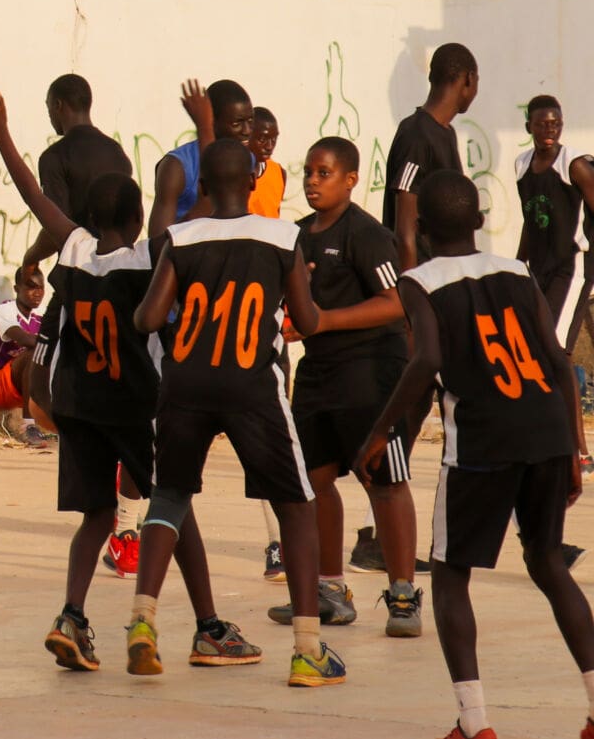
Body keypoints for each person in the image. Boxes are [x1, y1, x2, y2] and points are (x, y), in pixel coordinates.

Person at [0, 84, 260, 674]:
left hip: (81, 408)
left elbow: (32, 195)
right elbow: (210, 205)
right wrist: (206, 127)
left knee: (98, 517)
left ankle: (72, 616)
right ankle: (208, 626)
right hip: (138, 406)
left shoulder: (74, 252)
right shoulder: (151, 257)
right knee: (173, 506)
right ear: (136, 217)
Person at [356, 170, 594, 739]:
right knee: (547, 563)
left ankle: (476, 723)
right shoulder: (516, 271)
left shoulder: (420, 281)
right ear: (481, 221)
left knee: (449, 575)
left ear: (422, 228)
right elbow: (560, 362)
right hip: (545, 431)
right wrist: (575, 447)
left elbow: (425, 361)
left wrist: (378, 433)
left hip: (484, 441)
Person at [129, 140, 344, 687]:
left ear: (201, 189)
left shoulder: (180, 237)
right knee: (295, 504)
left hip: (185, 382)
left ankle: (143, 621)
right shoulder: (281, 236)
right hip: (251, 383)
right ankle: (307, 649)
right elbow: (307, 320)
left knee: (170, 495)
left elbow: (148, 318)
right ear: (254, 183)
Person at [270, 138, 422, 636]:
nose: (313, 181)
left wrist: (324, 319)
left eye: (325, 172)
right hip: (318, 374)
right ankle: (329, 589)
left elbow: (398, 301)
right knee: (312, 481)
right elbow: (296, 307)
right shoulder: (294, 237)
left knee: (382, 478)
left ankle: (403, 595)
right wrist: (295, 323)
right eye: (309, 172)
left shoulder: (366, 234)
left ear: (351, 179)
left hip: (371, 370)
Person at [21, 73, 133, 269]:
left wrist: (30, 258)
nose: (49, 116)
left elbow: (54, 226)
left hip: (81, 272)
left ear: (58, 105)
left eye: (48, 109)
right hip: (121, 270)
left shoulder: (55, 157)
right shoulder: (116, 151)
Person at [383, 43, 477, 273]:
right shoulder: (416, 134)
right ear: (468, 79)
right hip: (425, 279)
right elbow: (405, 232)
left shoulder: (446, 132)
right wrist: (409, 293)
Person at [515, 95, 594, 357]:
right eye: (542, 124)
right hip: (540, 266)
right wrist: (518, 263)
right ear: (529, 127)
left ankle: (568, 398)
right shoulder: (522, 165)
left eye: (556, 124)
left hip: (570, 267)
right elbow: (531, 219)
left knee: (557, 349)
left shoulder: (574, 165)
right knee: (535, 341)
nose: (550, 130)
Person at [246, 106, 290, 576]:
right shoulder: (236, 174)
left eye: (273, 136)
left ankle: (278, 542)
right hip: (240, 306)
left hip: (271, 306)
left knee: (273, 427)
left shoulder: (277, 174)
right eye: (261, 135)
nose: (267, 142)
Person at [147, 78, 254, 239]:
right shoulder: (176, 166)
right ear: (212, 121)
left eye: (250, 121)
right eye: (237, 123)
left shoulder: (247, 159)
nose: (247, 131)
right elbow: (156, 241)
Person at [0, 264, 50, 447]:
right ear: (17, 289)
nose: (37, 293)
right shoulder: (3, 312)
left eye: (41, 288)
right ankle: (28, 426)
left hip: (27, 390)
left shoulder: (41, 315)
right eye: (31, 287)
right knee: (34, 353)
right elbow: (26, 340)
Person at [247, 108, 286, 220]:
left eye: (274, 139)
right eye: (262, 139)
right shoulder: (234, 172)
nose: (269, 146)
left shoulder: (279, 172)